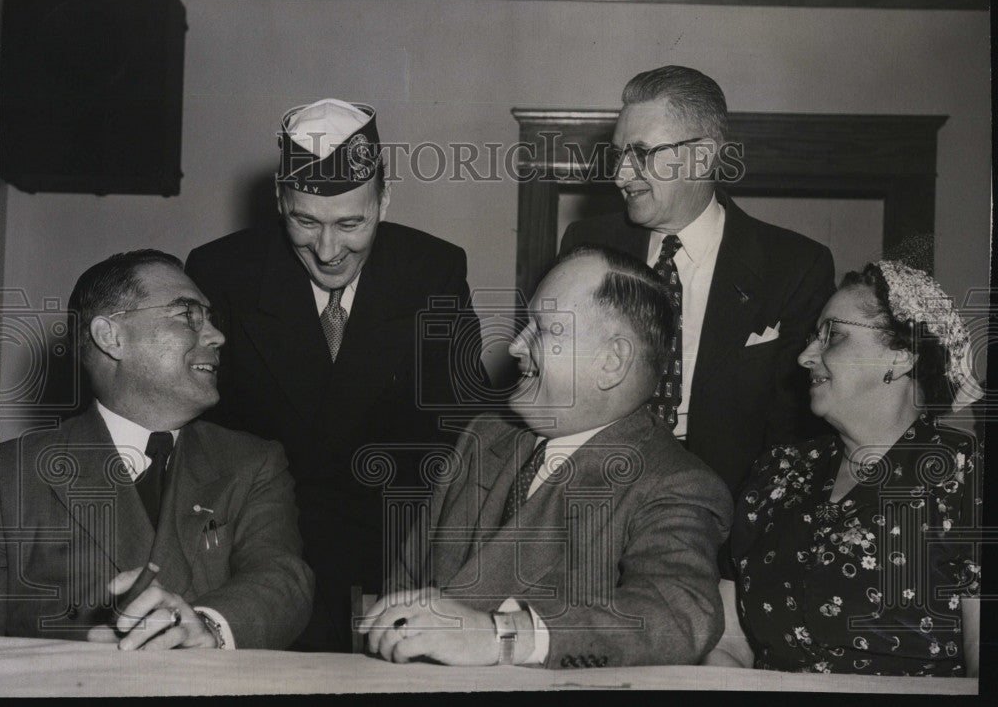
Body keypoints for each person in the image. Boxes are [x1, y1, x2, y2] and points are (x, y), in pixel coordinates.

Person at [185, 98, 487, 651]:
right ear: (279, 199)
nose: (328, 251)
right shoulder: (219, 272)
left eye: (351, 223)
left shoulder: (434, 273)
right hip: (259, 549)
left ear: (385, 200)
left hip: (390, 552)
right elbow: (206, 441)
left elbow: (456, 435)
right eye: (305, 222)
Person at [358, 247, 732, 668]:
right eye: (525, 324)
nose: (517, 346)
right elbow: (405, 583)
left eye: (543, 329)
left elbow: (678, 617)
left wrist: (499, 636)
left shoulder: (675, 483)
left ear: (611, 362)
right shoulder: (485, 435)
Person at [0, 250, 314, 649]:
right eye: (188, 315)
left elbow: (284, 578)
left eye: (210, 318)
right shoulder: (11, 474)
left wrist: (207, 628)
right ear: (111, 337)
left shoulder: (253, 462)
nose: (217, 336)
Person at [560, 65, 835, 496]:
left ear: (702, 157)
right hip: (599, 494)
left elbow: (796, 432)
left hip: (729, 507)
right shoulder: (588, 245)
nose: (621, 176)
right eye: (619, 155)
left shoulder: (794, 266)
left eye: (642, 153)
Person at [704, 261, 982, 676]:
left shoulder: (967, 476)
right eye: (814, 337)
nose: (804, 356)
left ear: (902, 355)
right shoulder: (776, 474)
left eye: (832, 335)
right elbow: (728, 644)